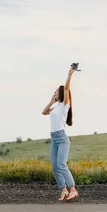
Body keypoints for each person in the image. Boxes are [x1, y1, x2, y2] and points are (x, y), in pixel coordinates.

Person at [42, 65, 79, 201]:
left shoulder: (64, 105)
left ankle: (73, 189)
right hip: (54, 139)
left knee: (61, 164)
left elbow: (67, 88)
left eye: (57, 91)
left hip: (62, 138)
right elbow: (44, 112)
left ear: (62, 94)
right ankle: (63, 190)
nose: (55, 92)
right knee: (55, 166)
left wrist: (70, 74)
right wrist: (51, 100)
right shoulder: (56, 106)